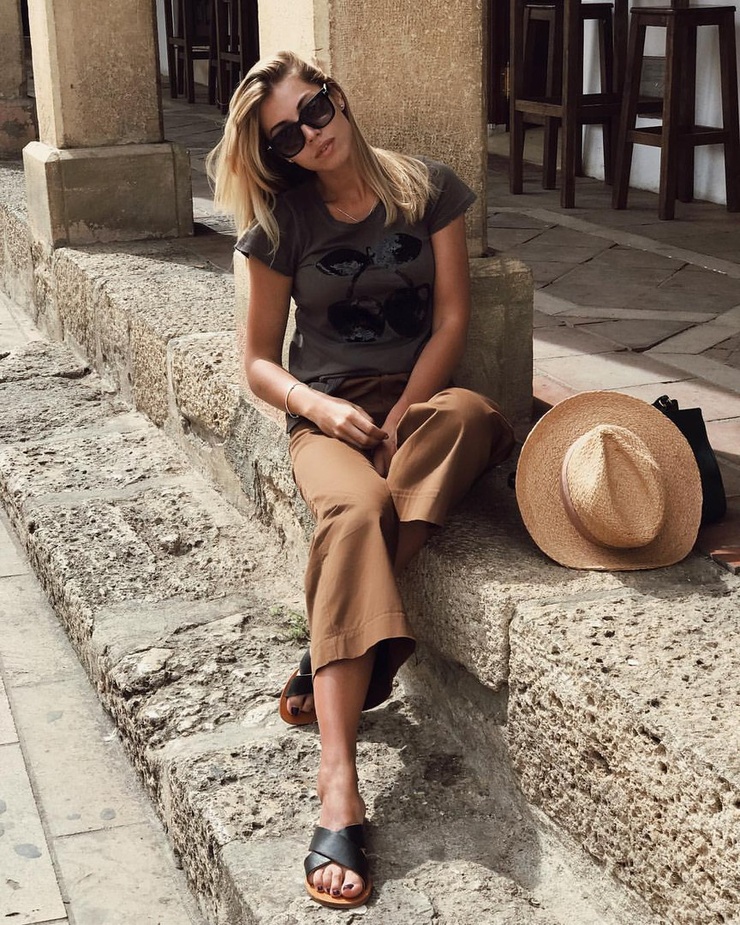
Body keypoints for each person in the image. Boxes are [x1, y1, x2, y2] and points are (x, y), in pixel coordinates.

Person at [207, 50, 515, 909]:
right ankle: (337, 778)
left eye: (316, 109)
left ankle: (333, 644)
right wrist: (326, 410)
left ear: (336, 97)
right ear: (276, 156)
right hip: (327, 416)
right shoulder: (284, 225)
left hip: (421, 404)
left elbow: (451, 316)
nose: (312, 134)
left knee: (471, 418)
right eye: (287, 136)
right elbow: (258, 362)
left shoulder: (427, 188)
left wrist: (404, 415)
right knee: (355, 508)